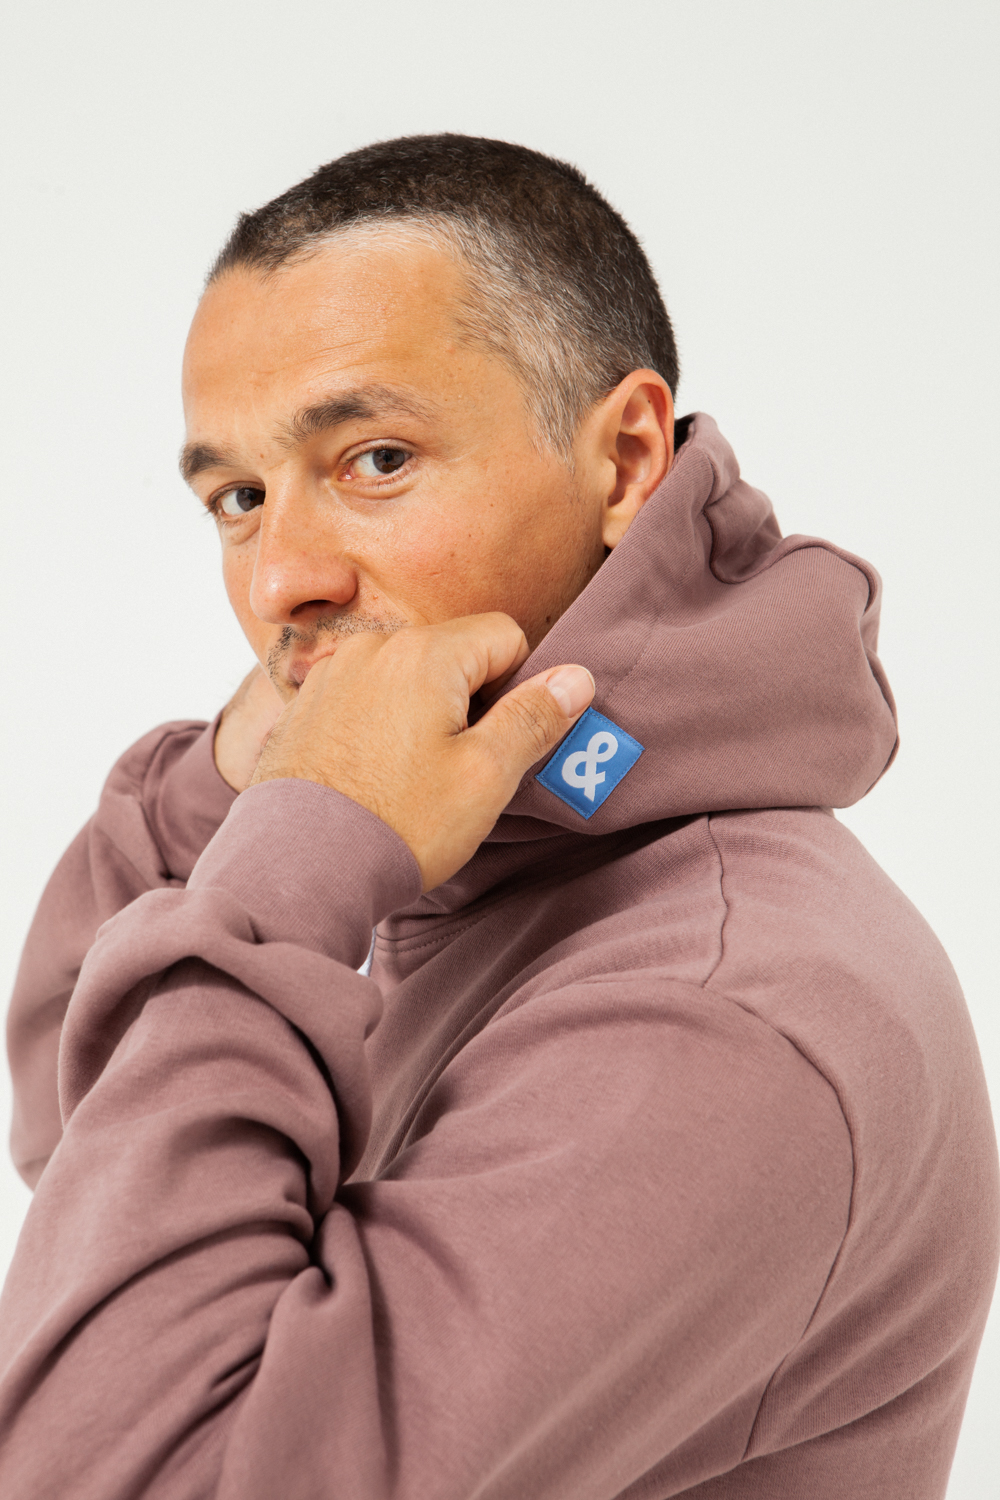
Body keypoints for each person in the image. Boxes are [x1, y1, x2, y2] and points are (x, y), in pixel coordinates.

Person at [1, 134, 996, 1500]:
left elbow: (112, 1465)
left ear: (627, 459)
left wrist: (298, 845)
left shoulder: (721, 1010)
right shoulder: (456, 864)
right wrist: (241, 781)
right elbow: (87, 1146)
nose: (281, 578)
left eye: (376, 459)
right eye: (240, 498)